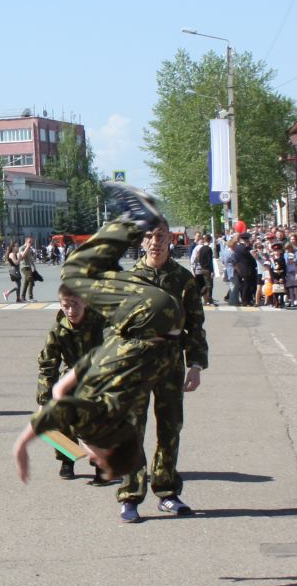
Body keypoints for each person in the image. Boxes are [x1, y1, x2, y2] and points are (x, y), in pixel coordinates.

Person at [11, 185, 185, 492]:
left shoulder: (119, 421)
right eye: (100, 464)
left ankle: (131, 226)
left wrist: (64, 384)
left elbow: (96, 358)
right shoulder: (99, 424)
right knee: (73, 273)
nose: (91, 458)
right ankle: (136, 219)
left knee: (90, 272)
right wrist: (21, 446)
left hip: (160, 321)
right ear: (106, 451)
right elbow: (53, 411)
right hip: (149, 315)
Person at [114, 223, 208, 523]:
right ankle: (130, 495)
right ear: (141, 242)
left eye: (160, 237)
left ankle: (167, 492)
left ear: (170, 239)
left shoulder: (183, 280)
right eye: (149, 237)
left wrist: (195, 364)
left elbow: (196, 324)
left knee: (170, 427)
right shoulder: (129, 280)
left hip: (170, 363)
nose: (155, 242)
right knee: (132, 430)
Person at [34, 289, 106, 480]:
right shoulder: (58, 330)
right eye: (66, 306)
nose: (71, 311)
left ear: (85, 303)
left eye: (75, 305)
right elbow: (48, 366)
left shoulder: (100, 324)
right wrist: (44, 399)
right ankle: (67, 459)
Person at [191, 234, 217, 307]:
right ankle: (208, 300)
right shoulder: (208, 249)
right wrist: (212, 271)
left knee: (206, 285)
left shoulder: (201, 249)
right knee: (209, 285)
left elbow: (198, 258)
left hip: (202, 268)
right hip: (207, 269)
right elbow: (210, 261)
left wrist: (201, 266)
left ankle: (204, 297)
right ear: (209, 240)